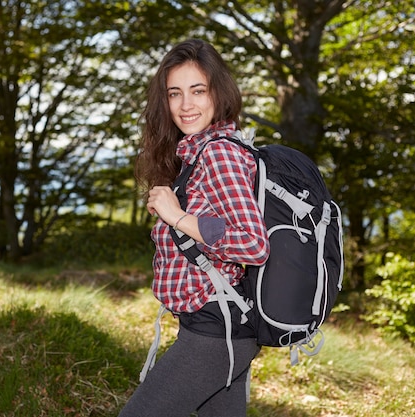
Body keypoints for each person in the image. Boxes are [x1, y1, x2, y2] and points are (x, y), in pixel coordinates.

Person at [118, 39, 270, 417]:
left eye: (198, 91)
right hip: (224, 327)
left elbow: (253, 244)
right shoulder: (198, 152)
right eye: (175, 93)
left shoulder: (219, 153)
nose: (186, 105)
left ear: (219, 93)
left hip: (215, 332)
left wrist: (178, 217)